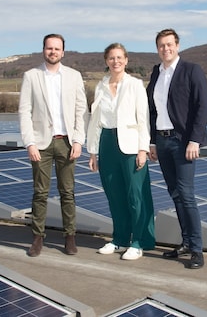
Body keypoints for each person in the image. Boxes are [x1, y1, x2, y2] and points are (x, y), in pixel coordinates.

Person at [18, 33, 87, 257]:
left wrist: (78, 140)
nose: (53, 52)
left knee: (68, 192)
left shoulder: (74, 76)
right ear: (43, 50)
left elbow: (80, 111)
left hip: (66, 142)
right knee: (40, 193)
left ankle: (70, 236)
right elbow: (24, 111)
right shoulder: (31, 76)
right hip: (41, 144)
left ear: (63, 52)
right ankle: (38, 237)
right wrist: (30, 143)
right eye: (49, 48)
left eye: (57, 49)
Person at [147, 28, 207, 269]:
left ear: (177, 45)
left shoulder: (191, 70)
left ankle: (196, 249)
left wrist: (195, 140)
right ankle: (185, 242)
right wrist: (152, 141)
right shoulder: (156, 73)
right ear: (157, 48)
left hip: (183, 142)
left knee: (186, 194)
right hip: (162, 142)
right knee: (175, 194)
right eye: (161, 45)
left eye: (169, 44)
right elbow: (153, 110)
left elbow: (202, 106)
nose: (166, 49)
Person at [86, 43, 155, 260]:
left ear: (126, 60)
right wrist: (93, 152)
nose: (115, 62)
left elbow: (143, 118)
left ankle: (140, 241)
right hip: (107, 142)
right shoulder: (100, 86)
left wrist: (143, 149)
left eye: (119, 58)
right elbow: (96, 121)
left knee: (136, 194)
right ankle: (120, 239)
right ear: (106, 61)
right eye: (111, 58)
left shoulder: (134, 85)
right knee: (114, 194)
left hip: (130, 144)